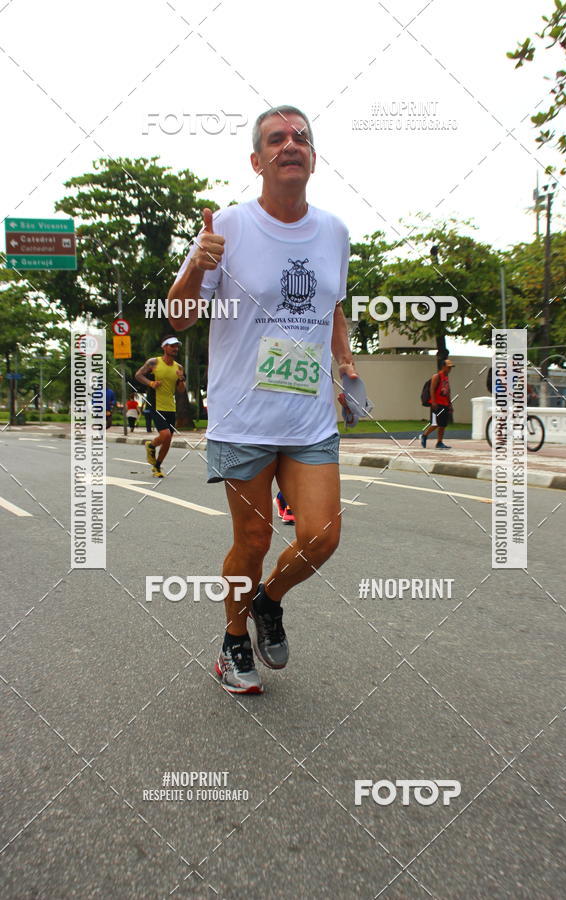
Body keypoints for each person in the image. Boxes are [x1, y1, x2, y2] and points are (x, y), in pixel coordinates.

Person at [167, 104, 357, 694]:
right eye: (276, 139)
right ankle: (231, 643)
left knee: (322, 536)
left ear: (314, 158)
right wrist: (196, 268)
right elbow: (181, 314)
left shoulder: (334, 231)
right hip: (243, 416)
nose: (290, 145)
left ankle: (269, 601)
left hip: (307, 418)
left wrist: (345, 360)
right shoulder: (227, 228)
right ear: (257, 160)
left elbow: (332, 306)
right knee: (252, 540)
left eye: (300, 137)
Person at [135, 337, 187, 477]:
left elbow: (181, 390)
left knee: (168, 439)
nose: (175, 348)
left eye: (177, 346)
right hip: (156, 404)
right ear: (164, 347)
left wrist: (181, 379)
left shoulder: (179, 367)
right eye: (172, 346)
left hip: (171, 406)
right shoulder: (153, 362)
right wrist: (151, 383)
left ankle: (157, 466)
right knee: (165, 434)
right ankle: (151, 445)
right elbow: (138, 375)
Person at [421, 358, 454, 450]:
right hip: (437, 404)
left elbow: (448, 391)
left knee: (443, 424)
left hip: (445, 403)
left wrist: (450, 404)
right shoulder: (436, 376)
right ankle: (424, 435)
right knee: (435, 423)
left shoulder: (446, 378)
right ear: (443, 366)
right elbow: (432, 389)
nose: (450, 369)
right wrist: (434, 401)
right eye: (448, 367)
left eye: (451, 368)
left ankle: (439, 442)